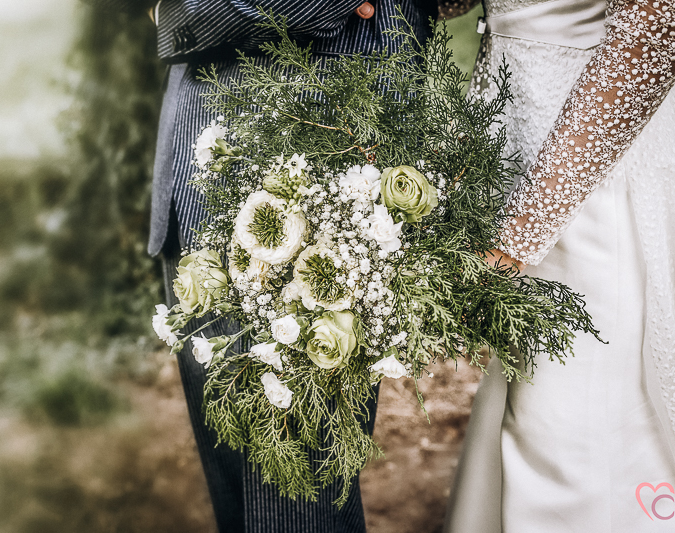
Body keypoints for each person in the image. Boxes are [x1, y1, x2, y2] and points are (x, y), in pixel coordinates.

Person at [81, 1, 437, 532]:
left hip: (316, 145)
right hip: (191, 151)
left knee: (295, 506)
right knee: (234, 491)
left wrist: (179, 12)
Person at [444, 0, 675, 530]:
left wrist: (523, 230)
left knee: (574, 416)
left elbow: (657, 29)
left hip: (592, 162)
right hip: (511, 129)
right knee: (526, 390)